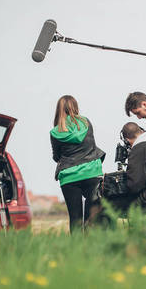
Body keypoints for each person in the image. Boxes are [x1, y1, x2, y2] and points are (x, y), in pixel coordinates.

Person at [50, 95, 105, 233]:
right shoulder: (86, 123)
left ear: (59, 110)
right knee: (92, 218)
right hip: (91, 172)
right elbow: (91, 145)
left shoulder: (55, 132)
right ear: (75, 106)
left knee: (75, 218)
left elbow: (56, 156)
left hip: (69, 177)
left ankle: (76, 251)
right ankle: (91, 250)